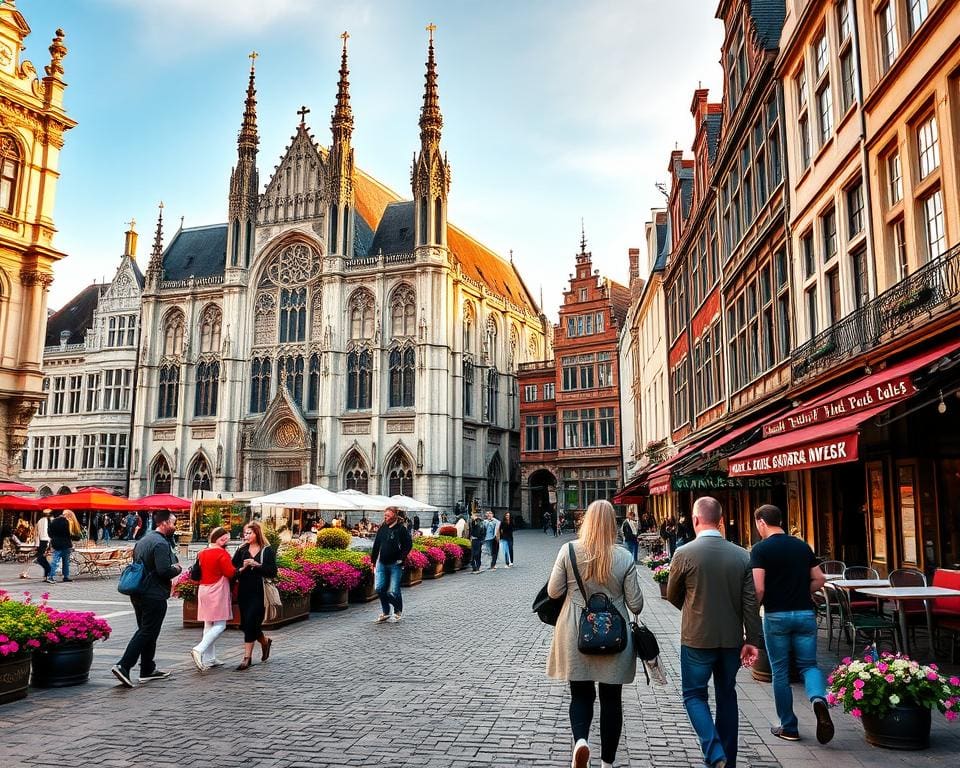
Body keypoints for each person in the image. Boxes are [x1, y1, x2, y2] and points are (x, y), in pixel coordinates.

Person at [547, 499, 644, 768]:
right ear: (613, 523)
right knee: (612, 700)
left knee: (580, 694)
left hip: (576, 631)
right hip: (615, 636)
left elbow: (554, 592)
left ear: (586, 521)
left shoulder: (568, 551)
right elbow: (636, 604)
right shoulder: (624, 556)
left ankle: (581, 742)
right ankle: (607, 763)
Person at [666, 496, 762, 768]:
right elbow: (750, 602)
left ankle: (714, 750)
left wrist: (693, 604)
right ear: (720, 521)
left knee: (694, 695)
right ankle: (727, 760)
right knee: (727, 694)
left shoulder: (684, 553)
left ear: (695, 520)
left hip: (696, 637)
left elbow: (673, 595)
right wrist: (752, 640)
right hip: (731, 639)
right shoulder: (742, 555)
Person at [751, 504, 834, 745]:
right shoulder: (801, 545)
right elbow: (820, 578)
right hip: (804, 614)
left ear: (761, 523)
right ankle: (818, 698)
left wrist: (752, 614)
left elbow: (759, 587)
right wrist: (800, 591)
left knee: (780, 672)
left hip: (777, 615)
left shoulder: (760, 550)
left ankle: (788, 726)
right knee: (809, 665)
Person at [112, 511, 182, 687]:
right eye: (173, 523)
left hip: (138, 591)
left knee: (148, 630)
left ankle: (147, 668)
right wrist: (178, 569)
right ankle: (124, 665)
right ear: (164, 523)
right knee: (147, 630)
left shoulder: (144, 540)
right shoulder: (160, 543)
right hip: (153, 593)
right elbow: (164, 570)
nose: (175, 526)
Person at [190, 526, 236, 672]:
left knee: (208, 624)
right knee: (220, 624)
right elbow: (230, 572)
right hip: (218, 589)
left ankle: (210, 658)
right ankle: (199, 649)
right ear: (220, 539)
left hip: (203, 589)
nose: (226, 541)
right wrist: (240, 569)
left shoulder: (202, 553)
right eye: (225, 539)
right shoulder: (222, 554)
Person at [232, 521, 277, 670]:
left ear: (257, 533)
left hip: (259, 591)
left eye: (249, 533)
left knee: (251, 620)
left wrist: (257, 565)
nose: (246, 536)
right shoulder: (241, 549)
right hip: (244, 590)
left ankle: (247, 657)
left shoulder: (266, 550)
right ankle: (264, 641)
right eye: (245, 533)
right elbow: (233, 570)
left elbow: (272, 571)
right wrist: (243, 568)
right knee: (246, 624)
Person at [370, 506, 413, 623]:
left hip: (395, 564)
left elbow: (408, 545)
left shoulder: (401, 529)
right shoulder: (382, 528)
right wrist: (373, 561)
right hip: (382, 563)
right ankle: (387, 611)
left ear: (394, 516)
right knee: (379, 588)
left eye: (388, 515)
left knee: (394, 590)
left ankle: (397, 611)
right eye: (385, 515)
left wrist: (401, 558)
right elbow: (376, 545)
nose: (385, 517)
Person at [48, 509, 80, 583]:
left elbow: (49, 532)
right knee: (66, 562)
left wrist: (54, 538)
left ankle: (50, 576)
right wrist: (76, 537)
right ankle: (66, 576)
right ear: (69, 515)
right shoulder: (69, 522)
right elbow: (70, 535)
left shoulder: (54, 521)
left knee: (55, 561)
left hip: (56, 544)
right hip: (66, 544)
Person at [22, 508, 51, 581]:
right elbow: (45, 533)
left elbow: (37, 533)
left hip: (42, 542)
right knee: (41, 558)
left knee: (41, 558)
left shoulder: (40, 520)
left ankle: (47, 573)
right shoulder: (46, 520)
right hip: (44, 541)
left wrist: (37, 543)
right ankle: (48, 572)